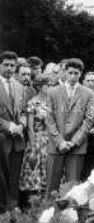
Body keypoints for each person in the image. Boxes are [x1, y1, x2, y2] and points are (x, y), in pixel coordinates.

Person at [45, 58, 94, 194]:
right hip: (56, 146)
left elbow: (89, 120)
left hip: (76, 147)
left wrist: (74, 142)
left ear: (81, 74)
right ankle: (47, 212)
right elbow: (49, 119)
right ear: (65, 73)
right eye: (70, 73)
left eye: (76, 73)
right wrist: (59, 141)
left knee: (73, 188)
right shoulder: (52, 92)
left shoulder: (89, 94)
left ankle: (70, 214)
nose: (73, 76)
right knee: (51, 186)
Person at [19, 74, 52, 209]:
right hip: (37, 141)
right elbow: (30, 128)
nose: (50, 88)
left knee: (50, 174)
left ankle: (47, 205)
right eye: (47, 85)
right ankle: (31, 208)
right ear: (39, 86)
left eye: (51, 85)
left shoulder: (51, 102)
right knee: (35, 175)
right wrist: (33, 147)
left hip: (50, 141)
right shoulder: (33, 103)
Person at [0, 51, 27, 209]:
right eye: (6, 65)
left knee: (15, 177)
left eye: (12, 65)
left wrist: (21, 125)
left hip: (17, 139)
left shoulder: (19, 86)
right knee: (2, 177)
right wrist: (10, 126)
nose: (9, 68)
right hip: (2, 137)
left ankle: (13, 210)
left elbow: (24, 111)